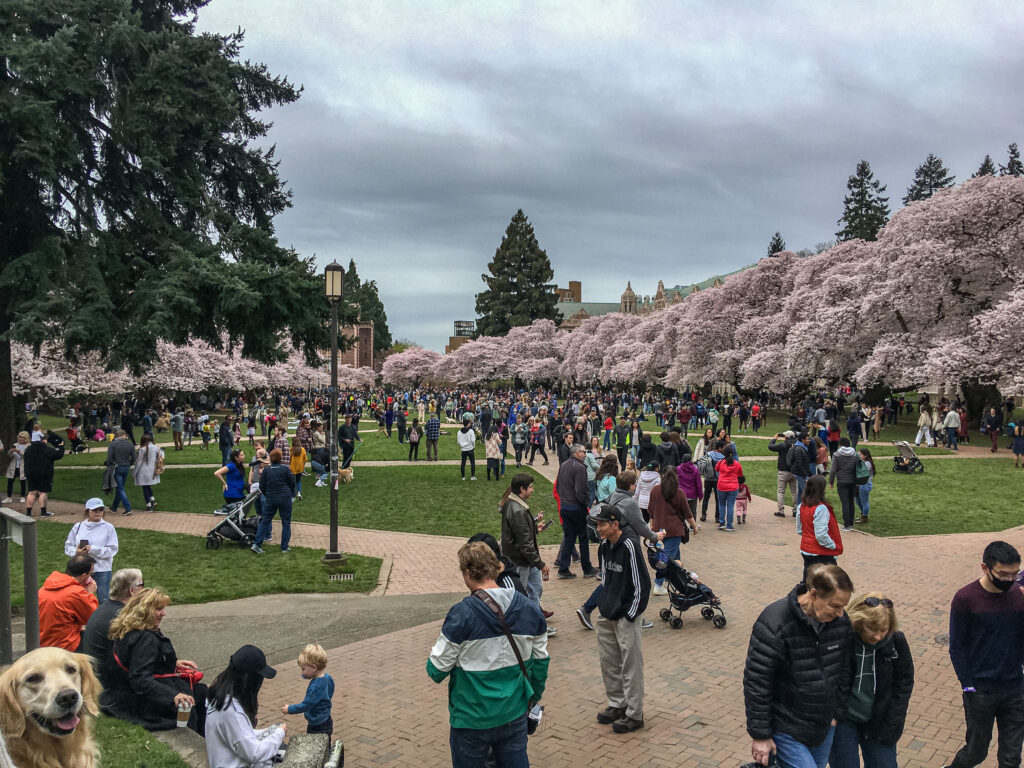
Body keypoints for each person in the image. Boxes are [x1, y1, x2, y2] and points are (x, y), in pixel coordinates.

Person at [427, 541, 548, 768]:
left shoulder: (461, 614)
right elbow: (541, 662)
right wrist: (534, 696)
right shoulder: (530, 609)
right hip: (513, 713)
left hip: (471, 719)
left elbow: (436, 669)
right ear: (495, 567)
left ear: (467, 573)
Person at [744, 564, 854, 768]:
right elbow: (757, 682)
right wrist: (760, 735)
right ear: (814, 594)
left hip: (823, 726)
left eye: (843, 606)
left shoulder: (840, 622)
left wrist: (836, 712)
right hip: (787, 726)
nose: (840, 613)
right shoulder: (775, 622)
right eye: (834, 605)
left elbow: (844, 669)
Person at [945, 540, 1024, 768]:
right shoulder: (965, 598)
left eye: (1014, 574)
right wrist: (968, 684)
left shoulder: (1019, 596)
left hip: (1014, 688)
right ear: (985, 568)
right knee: (975, 752)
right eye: (1003, 574)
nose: (1009, 580)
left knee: (1011, 759)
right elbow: (957, 645)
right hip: (980, 690)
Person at [829, 593, 915, 768]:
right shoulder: (842, 639)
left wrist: (893, 723)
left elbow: (904, 684)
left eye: (883, 629)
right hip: (844, 719)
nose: (878, 636)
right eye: (872, 629)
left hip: (880, 721)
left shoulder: (896, 642)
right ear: (858, 621)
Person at [106, 587, 208, 733]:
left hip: (122, 697)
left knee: (200, 692)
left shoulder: (128, 630)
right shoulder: (146, 639)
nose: (163, 613)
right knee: (193, 701)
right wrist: (173, 696)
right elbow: (140, 679)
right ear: (144, 610)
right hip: (144, 706)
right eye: (158, 609)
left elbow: (135, 661)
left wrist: (173, 663)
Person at [592, 504, 651, 734]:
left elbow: (642, 585)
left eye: (602, 524)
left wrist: (630, 615)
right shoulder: (605, 546)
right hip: (609, 612)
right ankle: (617, 703)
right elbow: (605, 580)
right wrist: (604, 607)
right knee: (609, 661)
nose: (598, 529)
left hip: (628, 613)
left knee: (631, 665)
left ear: (615, 524)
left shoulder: (629, 545)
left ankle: (634, 714)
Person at [206, 645, 285, 767]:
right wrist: (279, 734)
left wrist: (269, 731)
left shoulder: (218, 697)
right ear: (249, 679)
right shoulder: (231, 711)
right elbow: (254, 753)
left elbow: (240, 736)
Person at [82, 568, 144, 703]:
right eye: (141, 585)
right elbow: (138, 658)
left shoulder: (106, 608)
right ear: (132, 591)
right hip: (111, 687)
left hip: (98, 678)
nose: (144, 590)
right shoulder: (122, 618)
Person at [648, 468, 697, 596]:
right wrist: (694, 526)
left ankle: (678, 580)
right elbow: (687, 513)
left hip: (659, 531)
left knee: (674, 557)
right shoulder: (679, 493)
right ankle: (658, 584)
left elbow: (651, 511)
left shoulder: (655, 491)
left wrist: (652, 526)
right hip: (674, 531)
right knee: (665, 560)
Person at [63, 498, 119, 603]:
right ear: (87, 511)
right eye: (95, 510)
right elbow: (68, 546)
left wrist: (93, 550)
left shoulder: (109, 528)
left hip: (101, 569)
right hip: (81, 570)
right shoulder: (78, 527)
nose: (98, 512)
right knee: (78, 598)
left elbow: (113, 550)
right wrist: (77, 552)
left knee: (103, 600)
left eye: (101, 509)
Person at [38, 553, 98, 650]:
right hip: (66, 646)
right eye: (91, 573)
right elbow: (93, 619)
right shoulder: (76, 593)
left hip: (43, 643)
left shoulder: (44, 588)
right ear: (83, 575)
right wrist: (90, 594)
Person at [555, 443, 595, 579]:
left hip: (565, 507)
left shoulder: (564, 465)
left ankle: (563, 568)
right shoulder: (579, 468)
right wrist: (585, 504)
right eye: (584, 452)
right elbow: (581, 491)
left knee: (569, 538)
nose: (585, 454)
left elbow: (558, 486)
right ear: (577, 453)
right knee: (583, 538)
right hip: (577, 508)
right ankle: (587, 568)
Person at [282, 643, 335, 735]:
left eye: (303, 669)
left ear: (314, 668)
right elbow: (331, 690)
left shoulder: (316, 686)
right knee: (326, 744)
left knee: (316, 746)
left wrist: (290, 709)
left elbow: (306, 705)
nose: (302, 672)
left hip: (317, 724)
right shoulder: (327, 677)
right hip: (326, 718)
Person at [252, 448, 295, 554]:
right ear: (280, 458)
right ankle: (284, 546)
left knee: (265, 520)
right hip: (285, 497)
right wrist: (290, 493)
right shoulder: (285, 469)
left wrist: (268, 494)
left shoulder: (267, 470)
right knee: (286, 521)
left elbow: (262, 486)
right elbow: (292, 483)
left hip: (271, 497)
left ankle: (257, 544)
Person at [23, 429, 64, 517]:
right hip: (44, 473)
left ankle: (28, 512)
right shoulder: (46, 449)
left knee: (31, 492)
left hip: (30, 473)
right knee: (43, 493)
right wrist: (61, 447)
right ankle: (43, 512)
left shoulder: (28, 450)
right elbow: (58, 455)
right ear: (42, 440)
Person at [829, 437, 859, 531]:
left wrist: (831, 482)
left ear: (840, 444)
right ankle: (851, 524)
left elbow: (833, 470)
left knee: (845, 503)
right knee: (851, 502)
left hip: (842, 481)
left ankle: (846, 525)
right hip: (853, 481)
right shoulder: (855, 454)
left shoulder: (837, 455)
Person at [769, 430, 797, 518]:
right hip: (793, 470)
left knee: (781, 491)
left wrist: (774, 439)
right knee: (794, 491)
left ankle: (781, 510)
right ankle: (795, 510)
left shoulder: (783, 445)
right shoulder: (796, 445)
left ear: (786, 437)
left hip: (783, 470)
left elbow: (770, 447)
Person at [106, 429, 135, 516]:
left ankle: (128, 507)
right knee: (120, 488)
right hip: (126, 467)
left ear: (117, 435)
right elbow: (134, 458)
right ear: (124, 435)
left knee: (120, 488)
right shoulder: (130, 444)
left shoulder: (113, 444)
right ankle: (114, 507)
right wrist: (129, 464)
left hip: (117, 467)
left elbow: (109, 458)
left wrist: (108, 464)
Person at [715, 445, 743, 531]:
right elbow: (740, 474)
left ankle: (722, 523)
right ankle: (729, 525)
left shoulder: (721, 462)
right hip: (733, 487)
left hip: (721, 485)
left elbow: (716, 469)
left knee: (722, 504)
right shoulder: (737, 464)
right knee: (730, 506)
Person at [132, 434, 164, 511]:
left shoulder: (142, 449)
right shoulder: (156, 447)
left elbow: (139, 462)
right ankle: (152, 500)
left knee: (145, 487)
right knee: (148, 486)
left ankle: (148, 505)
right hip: (153, 470)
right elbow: (162, 455)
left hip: (143, 471)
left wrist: (134, 472)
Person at [3, 430, 28, 503]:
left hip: (22, 467)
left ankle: (22, 497)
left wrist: (18, 451)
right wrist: (10, 451)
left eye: (22, 438)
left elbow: (25, 455)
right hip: (13, 466)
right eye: (19, 437)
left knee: (22, 482)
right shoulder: (15, 445)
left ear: (26, 438)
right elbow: (9, 456)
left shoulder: (28, 446)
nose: (20, 439)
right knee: (10, 482)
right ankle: (9, 497)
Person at [854, 448, 875, 524]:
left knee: (864, 501)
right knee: (857, 499)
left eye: (860, 454)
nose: (859, 456)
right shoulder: (863, 462)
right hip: (860, 484)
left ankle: (865, 517)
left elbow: (861, 472)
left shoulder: (867, 463)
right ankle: (862, 514)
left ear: (865, 455)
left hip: (865, 484)